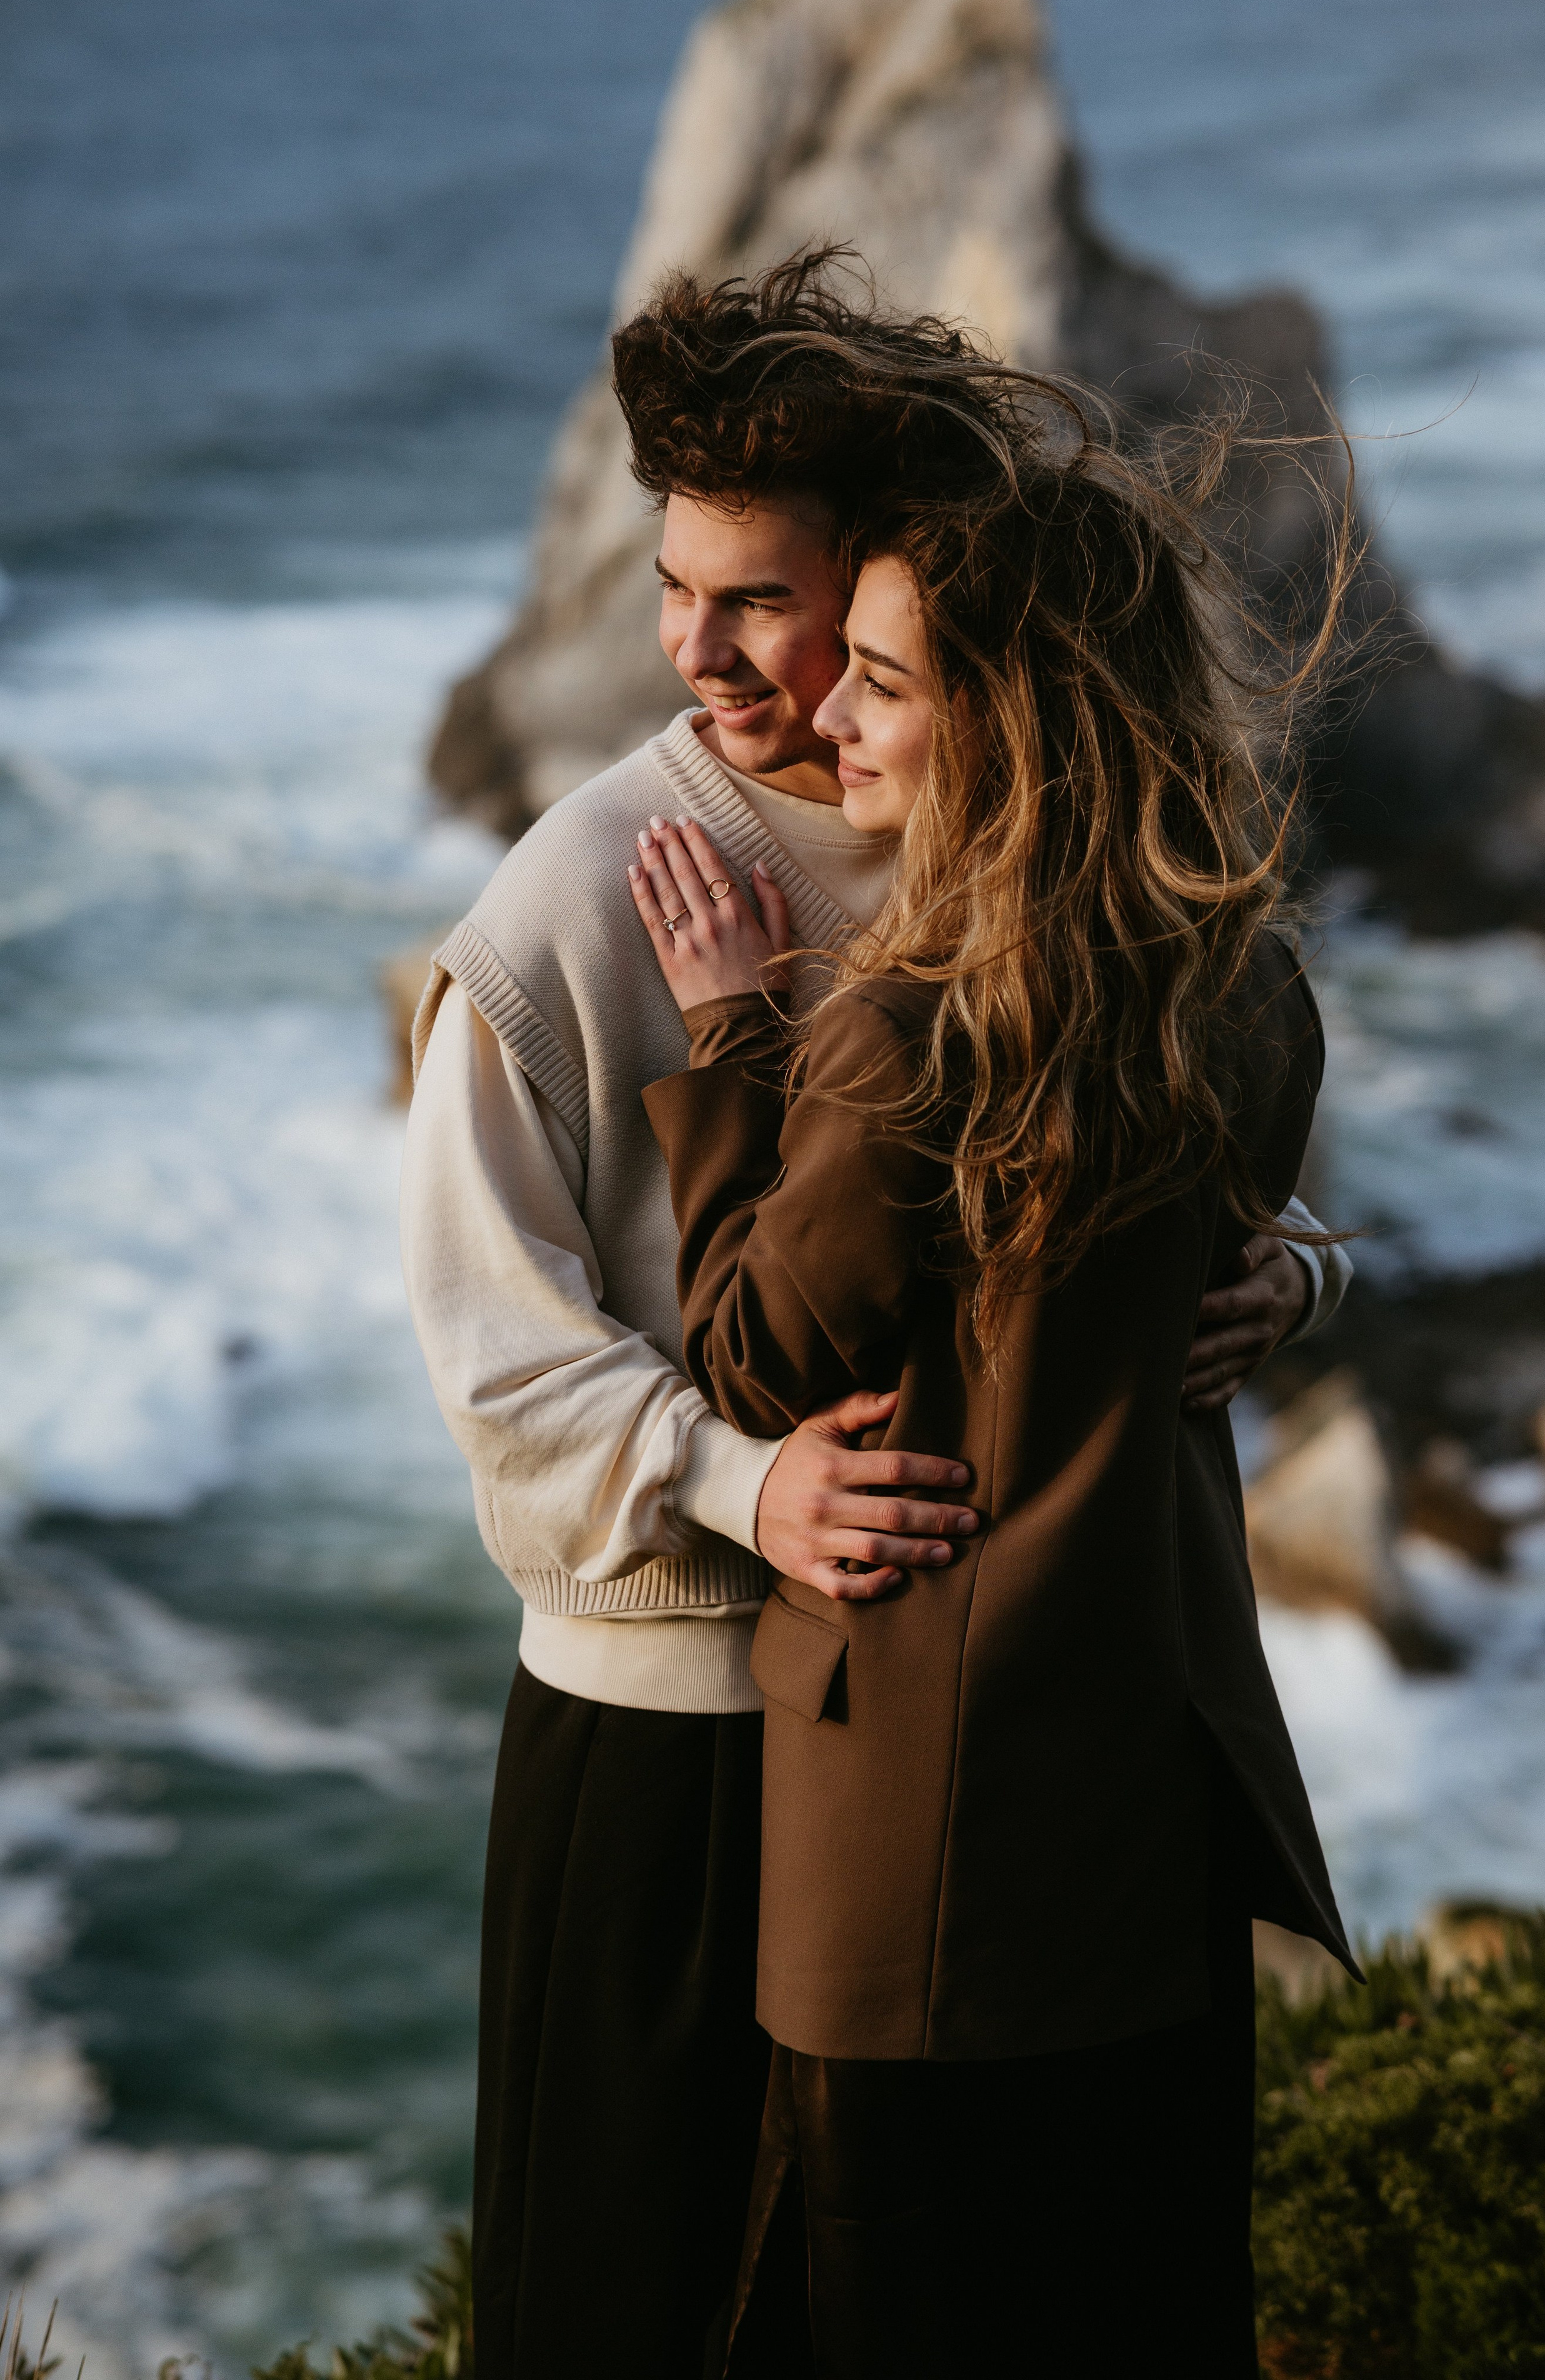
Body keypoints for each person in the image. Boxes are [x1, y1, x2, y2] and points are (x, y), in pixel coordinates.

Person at [400, 256, 1352, 2379]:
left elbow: (1165, 1177)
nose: (707, 653)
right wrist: (743, 1486)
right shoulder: (579, 899)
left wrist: (1289, 1273)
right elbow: (495, 1356)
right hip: (671, 1754)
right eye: (675, 586)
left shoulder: (1034, 843)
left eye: (763, 599)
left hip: (959, 1774)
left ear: (899, 578)